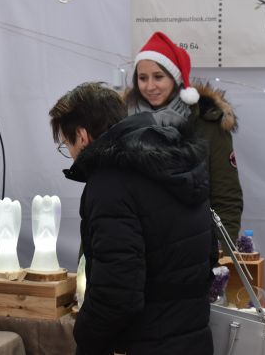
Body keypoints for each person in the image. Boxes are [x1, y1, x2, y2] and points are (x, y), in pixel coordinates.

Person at [49, 82, 216, 355]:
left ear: (81, 135)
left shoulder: (110, 183)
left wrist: (85, 338)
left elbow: (117, 293)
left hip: (144, 342)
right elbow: (208, 257)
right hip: (193, 337)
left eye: (66, 144)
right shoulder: (176, 163)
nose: (71, 154)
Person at [125, 31, 244, 242]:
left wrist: (220, 250)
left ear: (175, 78)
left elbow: (226, 198)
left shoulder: (208, 124)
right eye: (143, 78)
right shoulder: (123, 122)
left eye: (158, 77)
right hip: (137, 244)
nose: (150, 86)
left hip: (193, 246)